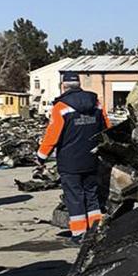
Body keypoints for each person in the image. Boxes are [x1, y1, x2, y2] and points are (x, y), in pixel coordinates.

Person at [36, 72, 110, 245]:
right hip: (92, 158)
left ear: (63, 86)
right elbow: (107, 128)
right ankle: (95, 231)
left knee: (74, 197)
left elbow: (52, 135)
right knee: (92, 196)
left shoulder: (61, 107)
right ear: (79, 84)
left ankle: (79, 235)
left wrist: (41, 156)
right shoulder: (96, 104)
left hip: (70, 162)